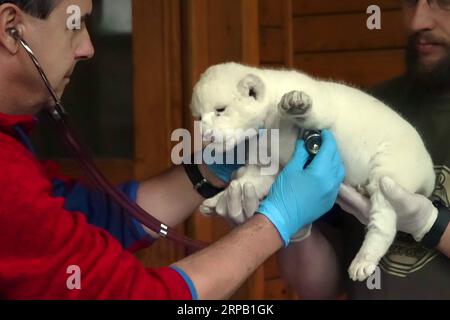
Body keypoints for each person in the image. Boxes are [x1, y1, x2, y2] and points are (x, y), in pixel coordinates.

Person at [0, 0, 345, 299]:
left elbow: (88, 218)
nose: (88, 46)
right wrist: (277, 220)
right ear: (10, 27)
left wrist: (210, 169)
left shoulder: (14, 148)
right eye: (74, 24)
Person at [276, 0, 450, 299]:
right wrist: (293, 223)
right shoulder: (365, 109)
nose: (417, 21)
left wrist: (430, 225)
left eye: (444, 3)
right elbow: (319, 288)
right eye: (410, 2)